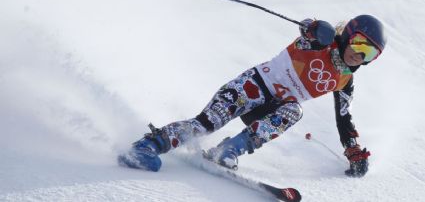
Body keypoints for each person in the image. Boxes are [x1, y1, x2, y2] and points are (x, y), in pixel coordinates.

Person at [118, 14, 386, 178]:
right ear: (349, 35)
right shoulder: (322, 42)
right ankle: (148, 146)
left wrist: (352, 150)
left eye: (370, 53)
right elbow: (306, 35)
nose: (360, 55)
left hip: (272, 110)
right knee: (205, 124)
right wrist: (312, 27)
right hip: (253, 87)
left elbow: (344, 118)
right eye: (360, 44)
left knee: (294, 111)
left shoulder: (345, 80)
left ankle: (227, 151)